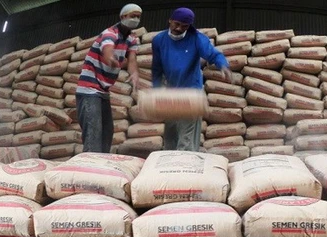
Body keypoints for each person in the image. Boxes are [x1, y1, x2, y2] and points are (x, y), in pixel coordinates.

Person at [151, 7, 232, 151]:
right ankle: (168, 168)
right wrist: (156, 90)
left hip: (191, 93)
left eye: (184, 26)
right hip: (171, 93)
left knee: (186, 138)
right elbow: (157, 67)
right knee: (170, 135)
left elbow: (213, 54)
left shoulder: (196, 38)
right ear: (169, 20)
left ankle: (185, 169)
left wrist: (223, 65)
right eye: (176, 24)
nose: (179, 28)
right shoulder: (159, 40)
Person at [76, 4, 141, 153]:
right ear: (123, 16)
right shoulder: (109, 33)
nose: (135, 19)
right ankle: (90, 170)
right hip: (89, 88)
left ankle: (101, 167)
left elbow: (132, 60)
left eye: (138, 17)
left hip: (103, 91)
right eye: (133, 16)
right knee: (94, 131)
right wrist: (111, 59)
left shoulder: (131, 38)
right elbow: (107, 51)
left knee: (107, 131)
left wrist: (134, 73)